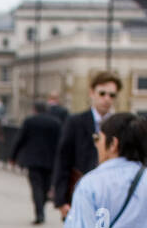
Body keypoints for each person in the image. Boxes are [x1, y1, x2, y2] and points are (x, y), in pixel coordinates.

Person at [52, 70, 122, 216]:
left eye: (112, 95)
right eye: (102, 93)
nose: (107, 99)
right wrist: (61, 200)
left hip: (110, 198)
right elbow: (63, 159)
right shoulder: (75, 122)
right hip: (79, 194)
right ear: (92, 93)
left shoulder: (121, 125)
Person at [11, 99, 62, 224]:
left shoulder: (30, 121)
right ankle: (41, 208)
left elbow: (20, 139)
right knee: (45, 186)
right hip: (50, 160)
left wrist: (13, 156)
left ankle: (39, 212)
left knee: (36, 187)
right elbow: (61, 143)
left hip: (33, 160)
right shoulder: (56, 122)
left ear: (35, 110)